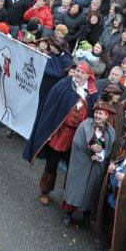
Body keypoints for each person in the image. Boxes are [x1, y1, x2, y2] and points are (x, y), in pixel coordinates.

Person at [23, 62, 97, 206]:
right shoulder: (64, 85)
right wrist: (49, 129)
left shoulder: (92, 93)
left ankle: (68, 199)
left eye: (82, 72)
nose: (78, 74)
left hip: (78, 138)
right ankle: (45, 191)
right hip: (60, 133)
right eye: (77, 71)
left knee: (73, 169)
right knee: (52, 164)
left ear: (88, 76)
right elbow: (50, 107)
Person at [62, 102, 116, 227]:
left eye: (100, 113)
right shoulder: (85, 125)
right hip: (81, 162)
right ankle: (68, 213)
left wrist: (100, 156)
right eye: (96, 112)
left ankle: (86, 215)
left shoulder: (110, 131)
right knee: (76, 188)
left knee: (91, 190)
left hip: (96, 166)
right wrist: (89, 147)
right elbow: (76, 142)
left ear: (106, 116)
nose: (97, 115)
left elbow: (109, 148)